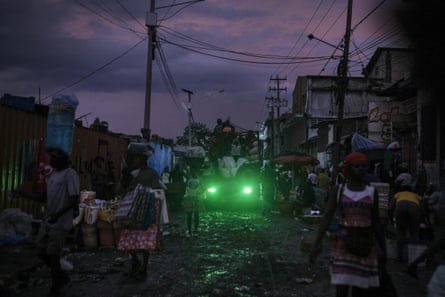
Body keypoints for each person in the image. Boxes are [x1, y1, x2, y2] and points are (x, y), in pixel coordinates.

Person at [309, 152, 386, 297]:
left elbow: (376, 222)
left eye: (363, 166)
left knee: (360, 289)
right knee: (341, 287)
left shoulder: (371, 192)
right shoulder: (338, 191)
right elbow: (326, 218)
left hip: (365, 245)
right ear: (349, 169)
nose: (360, 169)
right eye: (356, 166)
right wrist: (316, 243)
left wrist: (383, 248)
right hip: (343, 245)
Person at [117, 144, 166, 279]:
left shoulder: (152, 173)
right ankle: (135, 263)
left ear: (144, 159)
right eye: (133, 158)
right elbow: (126, 190)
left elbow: (159, 191)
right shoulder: (134, 173)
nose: (134, 161)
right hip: (133, 211)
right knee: (130, 238)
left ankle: (144, 266)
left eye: (137, 158)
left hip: (146, 211)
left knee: (145, 240)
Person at [36, 147, 80, 296]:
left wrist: (58, 214)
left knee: (52, 253)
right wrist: (20, 193)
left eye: (54, 157)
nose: (51, 160)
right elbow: (42, 197)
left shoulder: (70, 174)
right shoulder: (54, 175)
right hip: (48, 220)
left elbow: (74, 200)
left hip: (60, 222)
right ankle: (61, 276)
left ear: (63, 159)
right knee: (40, 251)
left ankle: (56, 286)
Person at [406, 189, 445, 278]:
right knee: (436, 246)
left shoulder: (437, 195)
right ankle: (414, 264)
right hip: (440, 223)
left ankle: (414, 264)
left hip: (439, 222)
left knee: (436, 246)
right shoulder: (439, 195)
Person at [389, 184, 421, 262]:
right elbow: (422, 207)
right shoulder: (415, 195)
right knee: (414, 233)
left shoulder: (398, 194)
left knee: (400, 232)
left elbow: (390, 207)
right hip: (414, 207)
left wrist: (391, 219)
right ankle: (414, 257)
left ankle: (400, 257)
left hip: (401, 206)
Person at [183, 168, 205, 237]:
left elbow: (203, 188)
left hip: (196, 199)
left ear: (197, 172)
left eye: (194, 172)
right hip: (189, 198)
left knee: (196, 215)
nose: (193, 173)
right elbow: (186, 188)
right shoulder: (188, 179)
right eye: (192, 172)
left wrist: (200, 195)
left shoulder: (199, 179)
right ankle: (189, 231)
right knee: (189, 215)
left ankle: (195, 230)